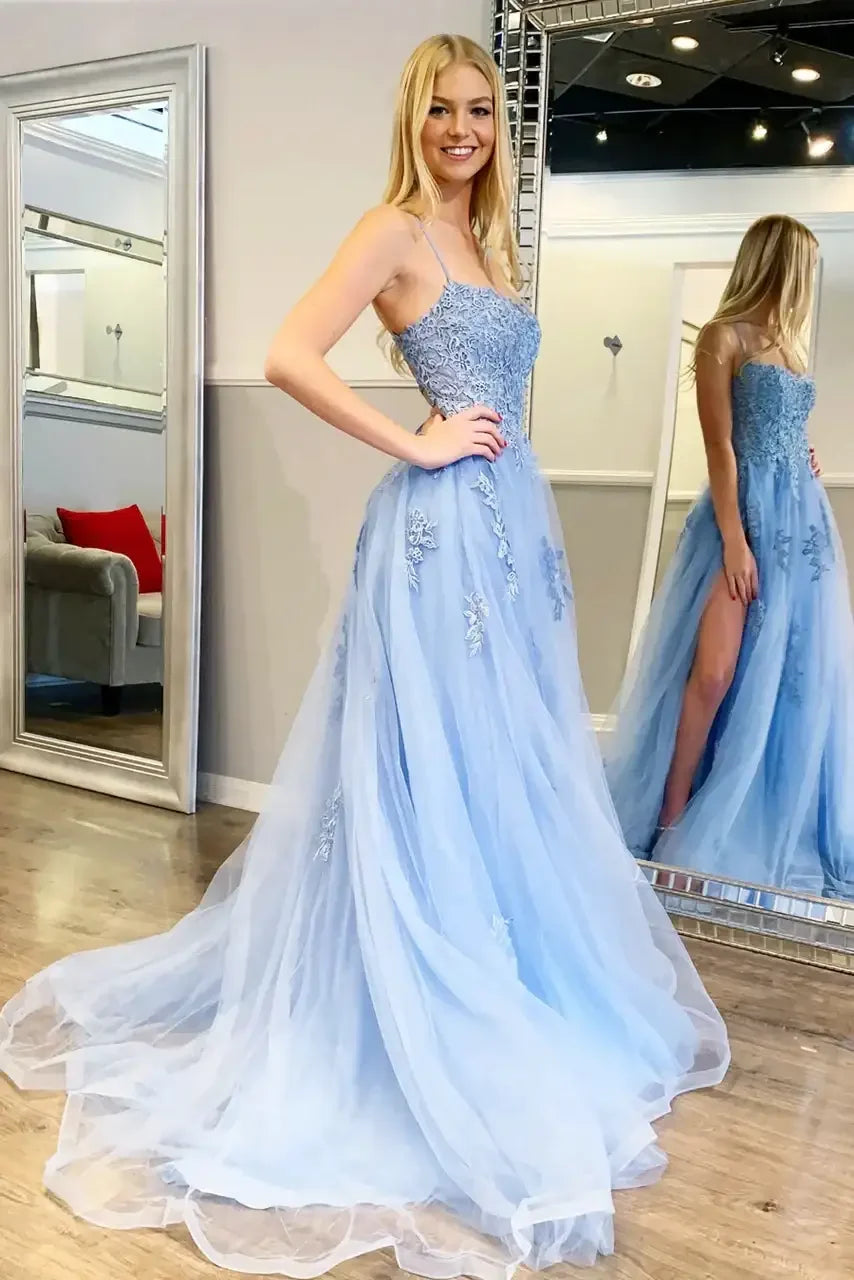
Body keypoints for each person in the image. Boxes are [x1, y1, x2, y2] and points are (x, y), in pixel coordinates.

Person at [0, 34, 728, 1278]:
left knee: (496, 764)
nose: (463, 130)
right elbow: (288, 354)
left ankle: (499, 977)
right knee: (419, 768)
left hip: (508, 535)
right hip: (436, 541)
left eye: (480, 111)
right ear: (413, 119)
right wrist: (415, 441)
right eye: (443, 110)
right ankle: (404, 1003)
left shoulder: (484, 242)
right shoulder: (390, 228)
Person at [607, 214, 854, 899]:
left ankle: (760, 818)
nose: (808, 280)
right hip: (738, 522)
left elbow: (783, 430)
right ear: (777, 261)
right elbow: (719, 447)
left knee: (788, 679)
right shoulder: (723, 337)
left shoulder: (789, 347)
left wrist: (803, 456)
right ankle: (669, 820)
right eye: (803, 265)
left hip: (801, 525)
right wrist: (737, 541)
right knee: (712, 674)